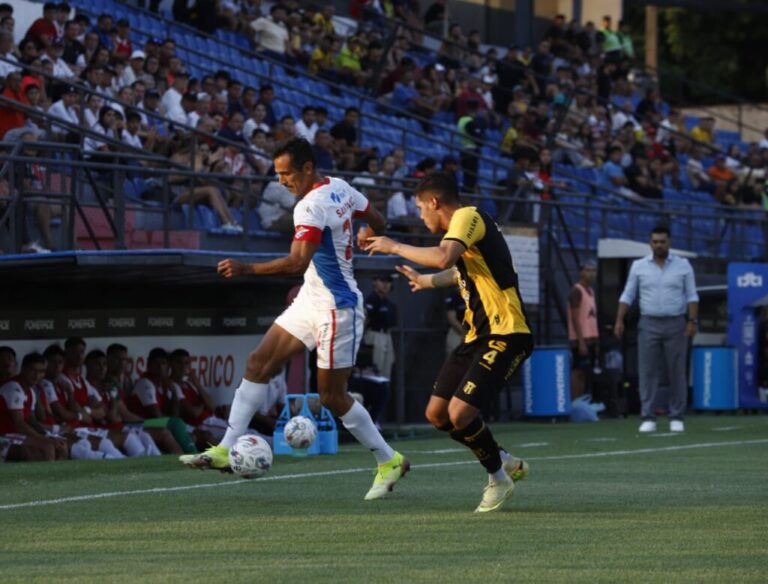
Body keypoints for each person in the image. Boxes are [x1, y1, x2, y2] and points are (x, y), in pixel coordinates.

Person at [180, 138, 409, 501]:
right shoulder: (341, 186)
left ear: (306, 168)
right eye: (277, 174)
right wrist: (371, 233)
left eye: (287, 173)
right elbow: (377, 217)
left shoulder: (310, 206)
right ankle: (225, 448)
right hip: (311, 298)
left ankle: (388, 459)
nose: (282, 181)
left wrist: (246, 268)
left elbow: (296, 262)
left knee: (332, 397)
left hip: (338, 308)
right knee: (258, 363)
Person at [364, 172, 532, 512]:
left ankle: (498, 478)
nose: (420, 216)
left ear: (434, 202)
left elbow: (445, 257)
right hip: (476, 336)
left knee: (460, 413)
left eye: (420, 208)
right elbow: (458, 271)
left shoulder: (467, 216)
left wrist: (394, 245)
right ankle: (502, 459)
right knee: (437, 414)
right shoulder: (466, 232)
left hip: (506, 333)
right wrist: (428, 282)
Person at [613, 226, 699, 433]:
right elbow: (627, 295)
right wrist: (619, 320)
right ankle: (648, 415)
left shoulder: (683, 265)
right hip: (648, 322)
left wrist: (692, 321)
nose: (659, 245)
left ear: (669, 242)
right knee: (648, 370)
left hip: (676, 322)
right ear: (650, 243)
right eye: (655, 242)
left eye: (662, 241)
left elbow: (691, 295)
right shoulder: (639, 266)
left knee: (676, 369)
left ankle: (676, 415)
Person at [568, 260, 599, 398]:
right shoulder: (577, 291)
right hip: (581, 339)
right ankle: (574, 401)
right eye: (587, 270)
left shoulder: (591, 291)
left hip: (591, 338)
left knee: (585, 372)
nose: (591, 274)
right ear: (581, 272)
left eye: (593, 271)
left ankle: (581, 400)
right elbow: (575, 318)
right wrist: (581, 341)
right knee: (577, 371)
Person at [363, 274, 397, 380]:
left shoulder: (388, 302)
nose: (385, 285)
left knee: (386, 371)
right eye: (382, 281)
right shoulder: (371, 300)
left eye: (388, 281)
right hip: (374, 335)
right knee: (375, 370)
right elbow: (365, 320)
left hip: (387, 336)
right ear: (375, 282)